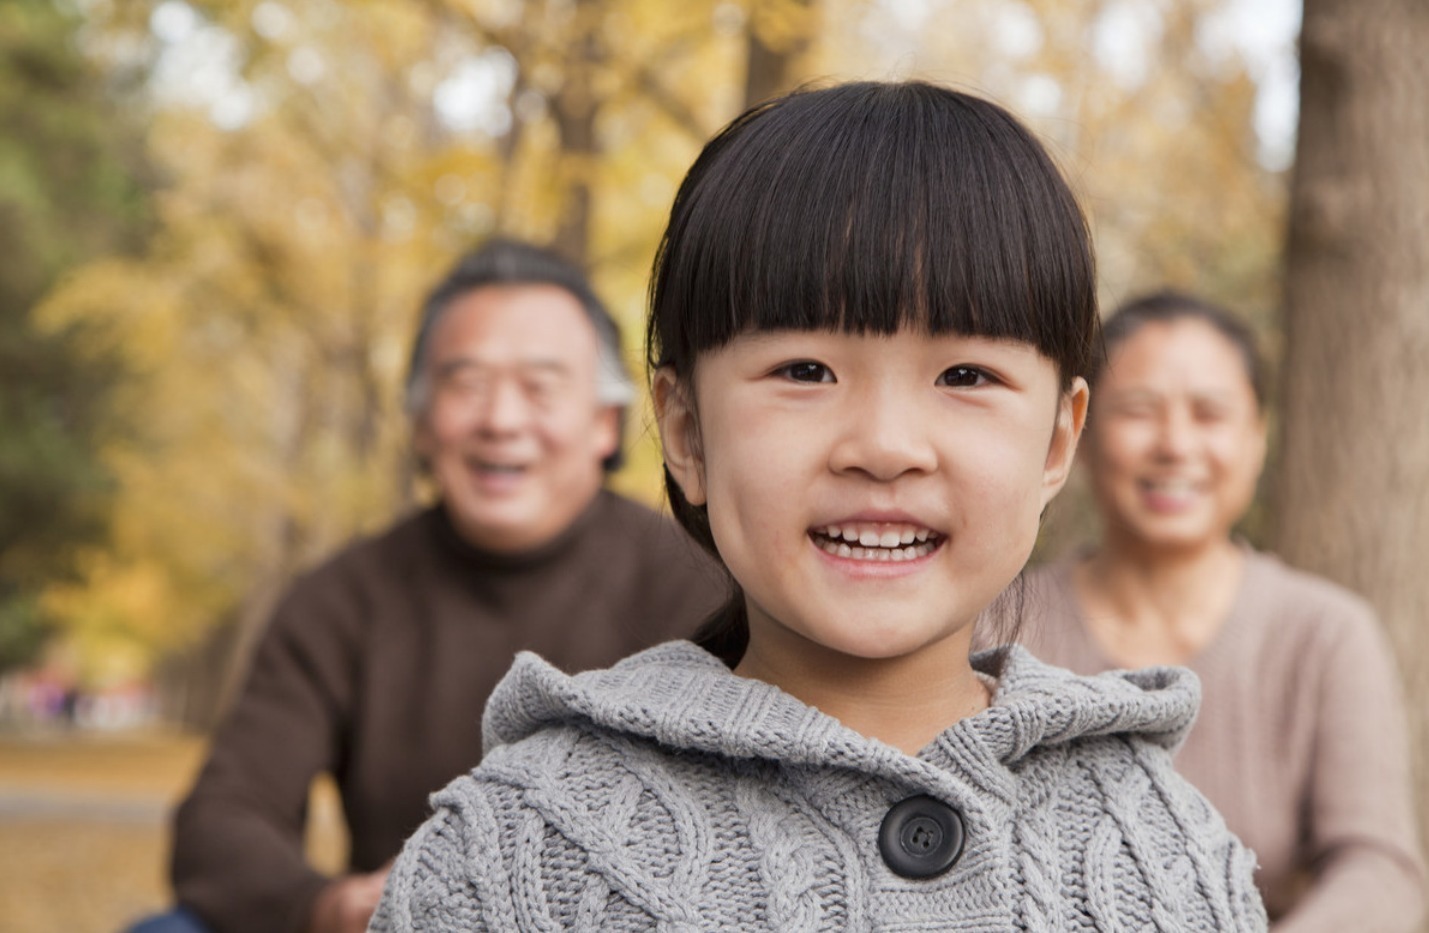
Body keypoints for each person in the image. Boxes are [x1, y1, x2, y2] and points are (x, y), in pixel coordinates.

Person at [369, 81, 1267, 930]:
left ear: (1056, 444)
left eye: (965, 375)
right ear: (684, 431)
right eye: (805, 371)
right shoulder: (510, 852)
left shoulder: (1169, 851)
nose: (882, 446)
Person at [137, 240, 727, 933]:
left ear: (606, 422)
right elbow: (223, 816)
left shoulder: (703, 584)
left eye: (540, 387)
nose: (501, 420)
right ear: (420, 422)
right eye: (466, 384)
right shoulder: (341, 599)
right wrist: (328, 907)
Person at [1012, 291, 1425, 931]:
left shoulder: (1325, 633)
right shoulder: (999, 624)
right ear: (1080, 435)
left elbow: (1380, 871)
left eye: (1210, 414)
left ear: (1258, 437)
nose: (1176, 444)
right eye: (1140, 411)